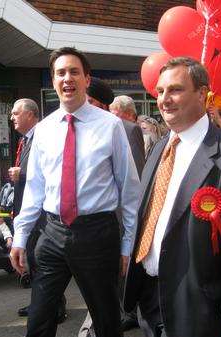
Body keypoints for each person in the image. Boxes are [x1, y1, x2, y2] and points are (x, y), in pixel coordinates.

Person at [124, 57, 221, 337]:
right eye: (160, 91)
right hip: (150, 301)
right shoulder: (160, 148)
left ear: (202, 94)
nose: (164, 99)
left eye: (175, 89)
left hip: (199, 306)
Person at [10, 47, 141, 337]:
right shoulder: (43, 130)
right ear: (54, 80)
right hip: (52, 233)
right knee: (39, 321)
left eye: (73, 72)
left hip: (97, 235)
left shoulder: (111, 126)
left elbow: (129, 189)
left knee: (107, 322)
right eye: (60, 73)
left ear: (86, 78)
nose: (67, 78)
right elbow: (34, 189)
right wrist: (20, 237)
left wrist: (127, 246)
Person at [78, 78, 144, 337]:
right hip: (85, 227)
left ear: (101, 104)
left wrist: (128, 223)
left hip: (113, 220)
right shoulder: (73, 128)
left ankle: (118, 316)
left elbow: (134, 177)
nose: (85, 105)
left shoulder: (127, 129)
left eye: (90, 101)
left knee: (114, 279)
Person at [8, 98, 68, 321]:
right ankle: (40, 304)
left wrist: (21, 174)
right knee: (34, 261)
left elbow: (50, 174)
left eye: (16, 113)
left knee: (43, 262)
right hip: (28, 209)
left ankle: (55, 308)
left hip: (44, 216)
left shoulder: (46, 135)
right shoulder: (25, 140)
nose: (12, 117)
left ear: (31, 115)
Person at [109, 93, 145, 175]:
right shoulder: (112, 129)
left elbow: (137, 166)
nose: (112, 120)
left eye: (116, 116)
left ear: (130, 114)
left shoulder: (132, 130)